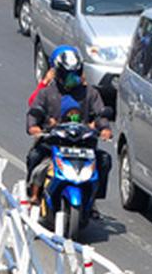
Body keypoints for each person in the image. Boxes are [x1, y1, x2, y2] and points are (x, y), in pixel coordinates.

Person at [25, 48, 112, 203]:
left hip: (83, 144)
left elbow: (100, 114)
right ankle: (34, 193)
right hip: (53, 142)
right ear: (58, 74)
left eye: (76, 74)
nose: (73, 79)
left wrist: (104, 129)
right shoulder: (46, 93)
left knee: (105, 160)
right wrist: (34, 127)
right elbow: (34, 113)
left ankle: (93, 199)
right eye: (68, 75)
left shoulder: (90, 93)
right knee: (35, 156)